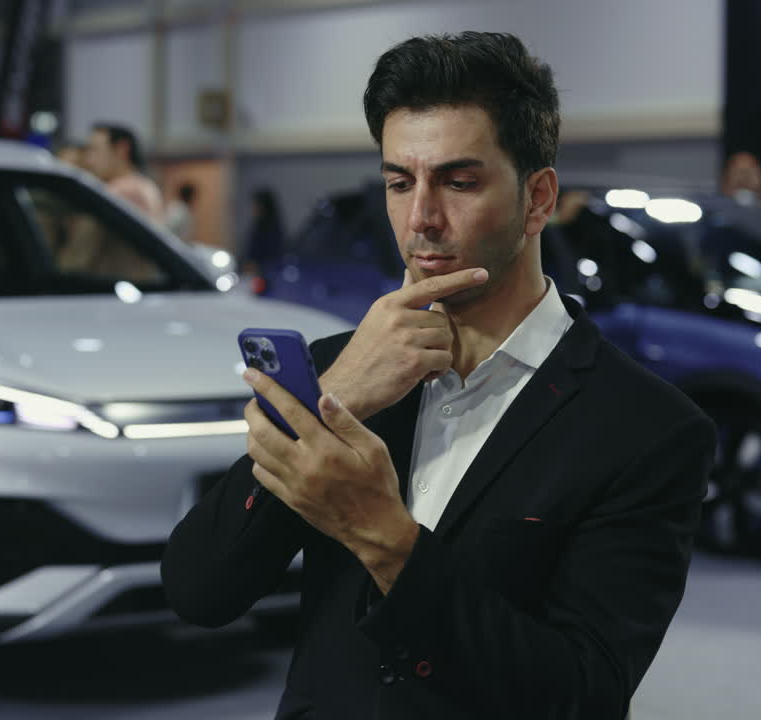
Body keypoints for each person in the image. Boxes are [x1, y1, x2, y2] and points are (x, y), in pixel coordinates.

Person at [161, 31, 716, 719]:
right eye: (400, 183)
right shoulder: (343, 368)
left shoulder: (645, 428)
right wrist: (332, 400)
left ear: (538, 199)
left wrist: (387, 540)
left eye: (459, 182)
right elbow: (199, 590)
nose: (421, 219)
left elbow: (581, 696)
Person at [84, 123, 164, 223]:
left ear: (122, 149)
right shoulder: (143, 186)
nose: (89, 160)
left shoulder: (126, 191)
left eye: (95, 150)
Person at [241, 187, 286, 290]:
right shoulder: (258, 225)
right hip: (256, 272)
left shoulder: (272, 228)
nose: (254, 209)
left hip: (267, 274)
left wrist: (256, 265)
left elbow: (272, 253)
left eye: (257, 205)